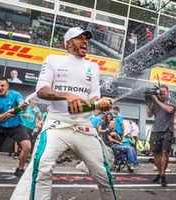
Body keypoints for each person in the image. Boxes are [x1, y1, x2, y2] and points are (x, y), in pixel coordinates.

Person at [11, 27, 116, 200]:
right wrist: (66, 95)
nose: (85, 42)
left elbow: (94, 98)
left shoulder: (93, 67)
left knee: (102, 173)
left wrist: (100, 104)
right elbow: (41, 90)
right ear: (68, 43)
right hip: (56, 124)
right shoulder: (53, 60)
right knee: (42, 165)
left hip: (84, 125)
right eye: (80, 38)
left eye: (86, 39)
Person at [0, 78, 31, 187]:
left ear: (7, 86)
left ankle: (20, 169)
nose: (0, 88)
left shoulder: (15, 94)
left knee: (27, 146)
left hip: (16, 125)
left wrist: (23, 105)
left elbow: (21, 103)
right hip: (1, 127)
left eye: (2, 85)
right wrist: (5, 115)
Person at [147, 85, 176, 187]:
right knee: (155, 153)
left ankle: (163, 175)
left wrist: (157, 101)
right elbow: (149, 115)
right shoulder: (155, 101)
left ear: (168, 92)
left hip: (167, 130)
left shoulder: (171, 100)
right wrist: (148, 102)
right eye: (161, 92)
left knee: (165, 153)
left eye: (164, 91)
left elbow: (170, 110)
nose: (162, 93)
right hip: (156, 130)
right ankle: (160, 173)